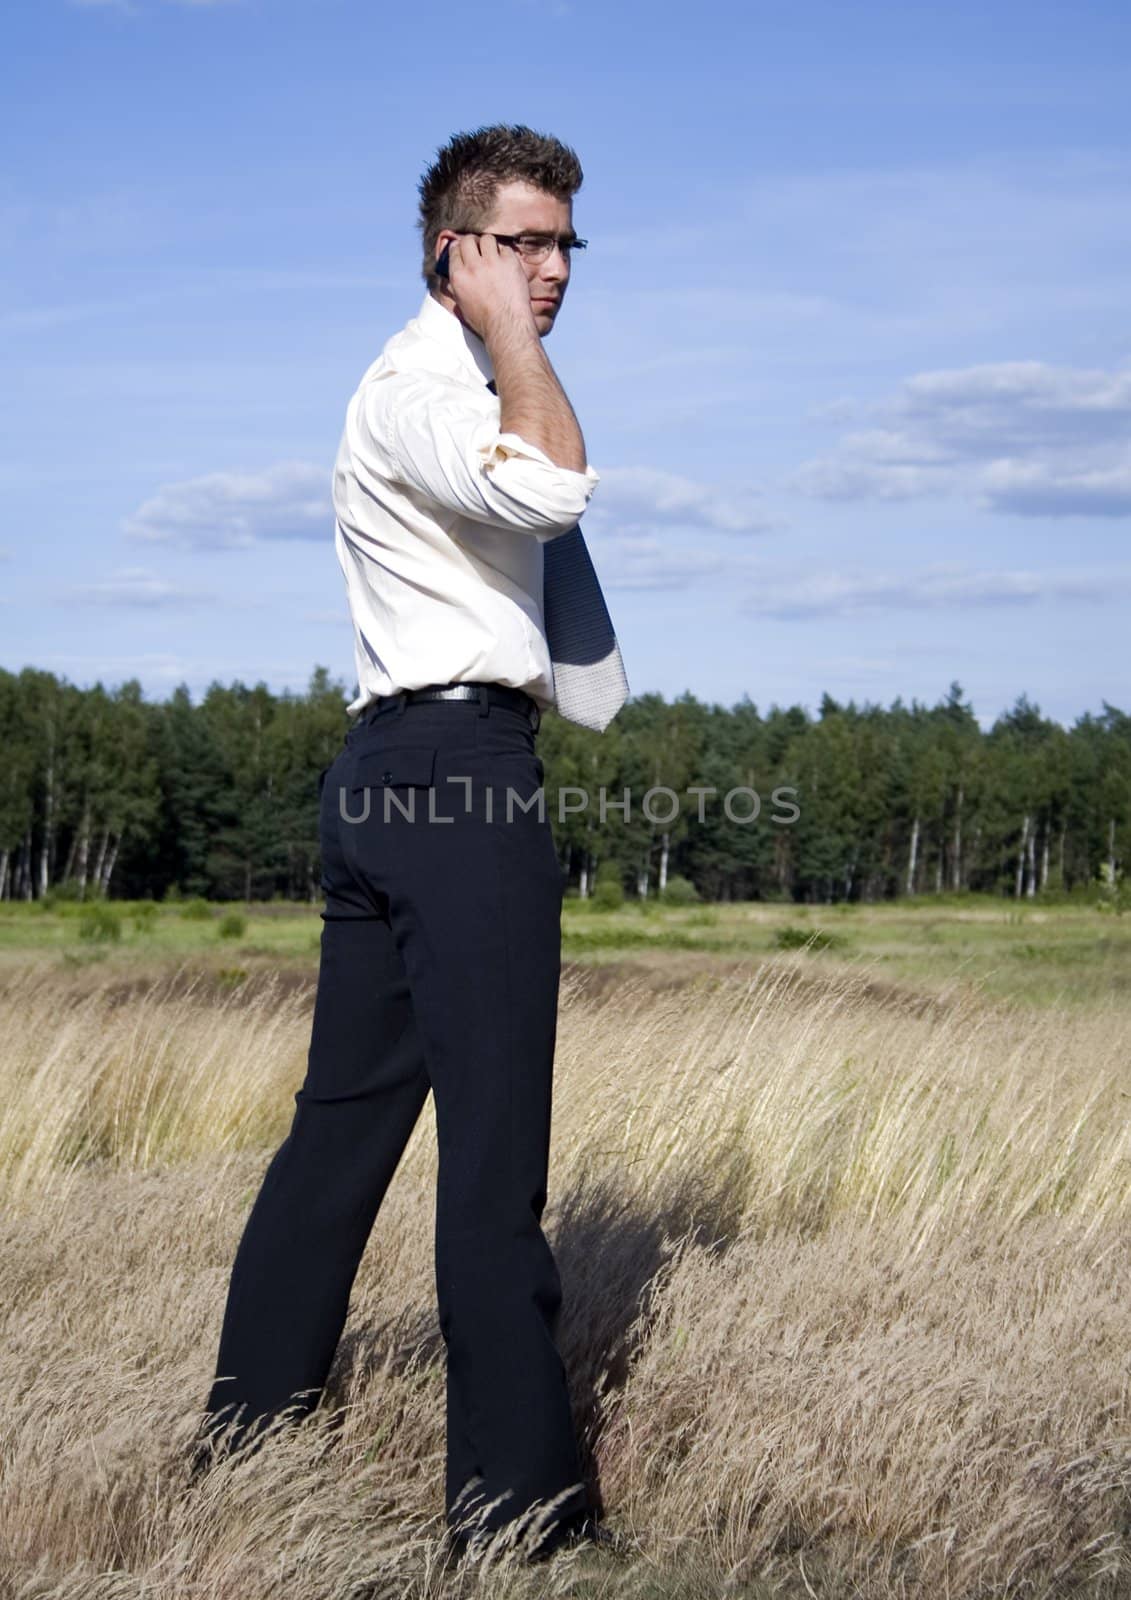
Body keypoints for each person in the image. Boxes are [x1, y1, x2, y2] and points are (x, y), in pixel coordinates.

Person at [191, 123, 627, 1562]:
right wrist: (512, 342)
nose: (552, 271)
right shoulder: (434, 388)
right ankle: (520, 1515)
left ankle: (249, 1435)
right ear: (454, 252)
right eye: (523, 245)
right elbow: (555, 487)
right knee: (494, 1156)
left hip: (392, 769)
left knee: (342, 1130)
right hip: (453, 777)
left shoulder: (433, 386)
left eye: (565, 245)